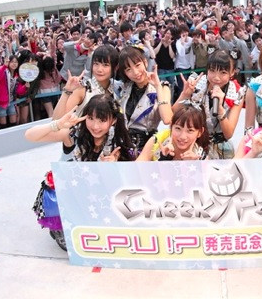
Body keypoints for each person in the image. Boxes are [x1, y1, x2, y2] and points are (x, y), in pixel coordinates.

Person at [26, 94, 134, 251]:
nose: (95, 126)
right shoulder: (74, 135)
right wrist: (58, 124)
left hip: (101, 199)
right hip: (72, 193)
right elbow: (30, 136)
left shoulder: (120, 143)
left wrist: (113, 168)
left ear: (113, 120)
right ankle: (60, 227)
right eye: (91, 118)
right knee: (54, 184)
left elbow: (131, 181)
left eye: (102, 120)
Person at [174, 49, 246, 159]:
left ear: (232, 73)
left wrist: (220, 109)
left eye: (223, 72)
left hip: (221, 148)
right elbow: (173, 115)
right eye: (212, 71)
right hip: (194, 145)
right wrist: (185, 94)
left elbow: (229, 133)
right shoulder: (196, 84)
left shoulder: (237, 92)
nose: (216, 77)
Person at [118, 46, 173, 156]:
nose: (135, 72)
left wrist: (157, 87)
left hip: (147, 148)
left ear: (145, 62)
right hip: (123, 147)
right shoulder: (124, 88)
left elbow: (167, 119)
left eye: (137, 65)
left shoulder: (163, 87)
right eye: (128, 69)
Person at [53, 44, 120, 119]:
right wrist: (66, 91)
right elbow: (57, 119)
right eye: (96, 64)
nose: (99, 69)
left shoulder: (119, 87)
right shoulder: (83, 88)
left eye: (105, 65)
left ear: (115, 67)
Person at [136, 102, 209, 161]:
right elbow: (137, 171)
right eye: (178, 128)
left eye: (190, 130)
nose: (183, 136)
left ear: (200, 132)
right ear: (171, 126)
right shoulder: (156, 141)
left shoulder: (201, 157)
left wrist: (192, 166)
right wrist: (163, 159)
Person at [0, 55, 19, 129]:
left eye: (16, 62)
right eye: (12, 62)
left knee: (13, 122)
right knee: (3, 125)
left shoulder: (16, 75)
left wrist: (25, 87)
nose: (14, 64)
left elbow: (18, 90)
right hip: (1, 102)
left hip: (11, 101)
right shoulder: (4, 71)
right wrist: (4, 66)